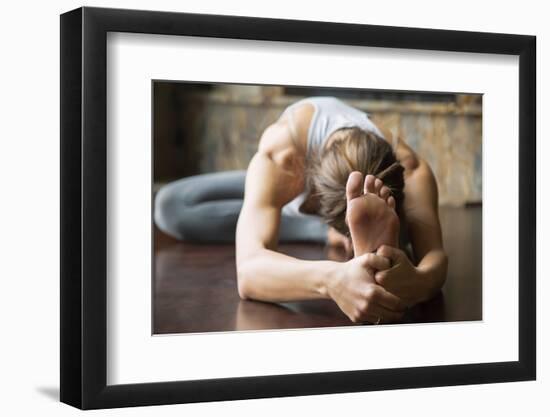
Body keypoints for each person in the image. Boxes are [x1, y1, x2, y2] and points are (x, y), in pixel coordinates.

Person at [154, 97, 448, 324]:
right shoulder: (284, 155)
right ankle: (332, 234)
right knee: (170, 205)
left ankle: (375, 242)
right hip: (292, 191)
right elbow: (248, 272)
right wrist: (332, 280)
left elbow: (435, 258)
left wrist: (419, 282)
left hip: (359, 199)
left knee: (410, 226)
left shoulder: (410, 168)